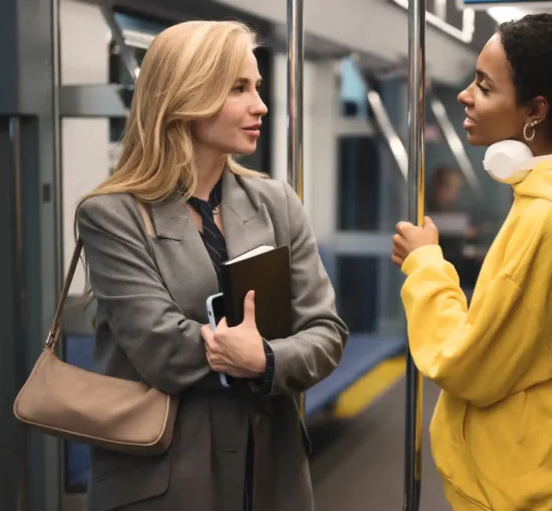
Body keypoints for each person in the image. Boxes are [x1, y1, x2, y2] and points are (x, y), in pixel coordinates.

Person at [75, 21, 348, 511]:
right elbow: (160, 346)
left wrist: (265, 360)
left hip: (271, 474)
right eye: (238, 89)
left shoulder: (276, 202)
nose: (260, 106)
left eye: (257, 88)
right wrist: (248, 350)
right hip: (166, 477)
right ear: (186, 96)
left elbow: (325, 332)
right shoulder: (112, 215)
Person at [391, 14, 552, 511]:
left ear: (535, 110)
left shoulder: (547, 221)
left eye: (484, 88)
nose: (465, 95)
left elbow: (467, 365)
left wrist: (425, 266)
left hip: (523, 491)